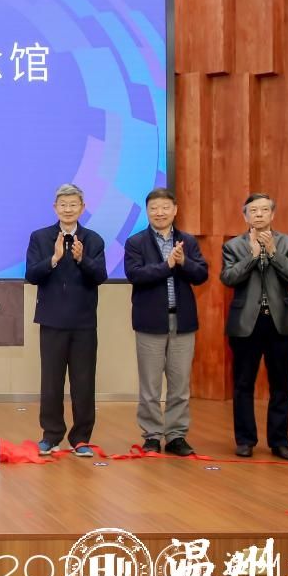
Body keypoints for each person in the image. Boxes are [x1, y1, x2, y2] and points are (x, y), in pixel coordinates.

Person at [123, 188, 209, 456]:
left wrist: (183, 262)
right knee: (150, 386)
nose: (159, 213)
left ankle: (176, 436)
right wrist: (167, 265)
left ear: (175, 210)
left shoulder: (187, 241)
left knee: (179, 385)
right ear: (147, 211)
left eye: (165, 207)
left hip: (182, 322)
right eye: (154, 208)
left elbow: (201, 275)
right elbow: (135, 275)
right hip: (150, 322)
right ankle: (151, 436)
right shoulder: (136, 242)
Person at [219, 193, 288, 460]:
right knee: (243, 383)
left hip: (280, 323)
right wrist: (253, 256)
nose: (259, 215)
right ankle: (245, 440)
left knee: (281, 384)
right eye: (253, 211)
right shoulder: (233, 246)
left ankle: (279, 441)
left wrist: (273, 253)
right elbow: (229, 278)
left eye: (264, 210)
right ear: (245, 216)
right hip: (246, 324)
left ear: (272, 214)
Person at [24, 183, 108, 457]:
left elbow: (100, 276)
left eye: (73, 205)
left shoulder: (93, 240)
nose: (68, 209)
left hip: (84, 322)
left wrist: (83, 259)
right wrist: (54, 258)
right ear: (55, 208)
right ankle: (51, 436)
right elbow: (31, 275)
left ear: (83, 208)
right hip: (52, 321)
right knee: (51, 382)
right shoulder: (40, 237)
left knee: (84, 382)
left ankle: (81, 438)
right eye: (63, 205)